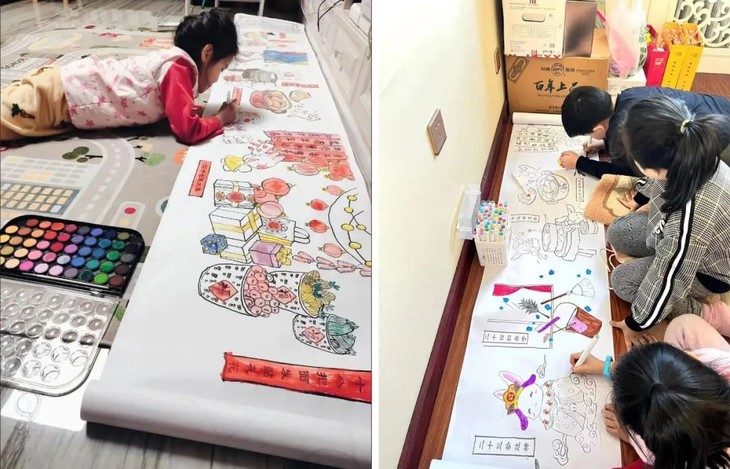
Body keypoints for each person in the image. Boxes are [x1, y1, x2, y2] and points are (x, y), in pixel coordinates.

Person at [0, 8, 238, 145]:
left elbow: (177, 108)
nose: (218, 78)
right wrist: (221, 118)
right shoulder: (178, 69)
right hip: (58, 96)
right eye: (222, 68)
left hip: (66, 94)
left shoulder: (177, 64)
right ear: (207, 53)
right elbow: (187, 130)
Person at [605, 96, 730, 347]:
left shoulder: (690, 217)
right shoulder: (687, 151)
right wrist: (640, 197)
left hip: (710, 270)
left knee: (623, 282)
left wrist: (637, 323)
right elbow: (656, 177)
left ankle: (708, 314)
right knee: (618, 231)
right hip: (683, 236)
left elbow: (671, 277)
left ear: (651, 166)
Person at [570, 313, 730, 469]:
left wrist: (629, 437)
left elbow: (657, 456)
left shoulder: (677, 459)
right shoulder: (718, 361)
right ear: (693, 360)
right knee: (683, 325)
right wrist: (607, 367)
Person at [558, 86, 730, 184]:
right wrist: (604, 143)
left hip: (721, 141)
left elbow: (622, 173)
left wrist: (579, 162)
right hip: (721, 107)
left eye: (588, 134)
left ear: (598, 128)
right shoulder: (629, 94)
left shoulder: (620, 136)